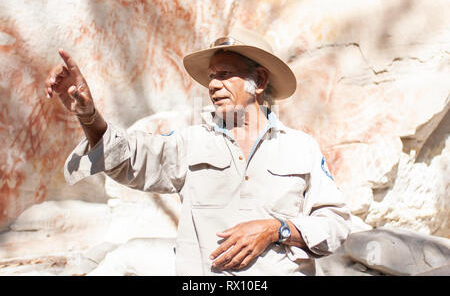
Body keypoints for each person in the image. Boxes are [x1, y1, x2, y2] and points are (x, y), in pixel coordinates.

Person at [45, 28, 351, 275]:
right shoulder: (189, 142)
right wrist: (88, 114)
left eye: (224, 74)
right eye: (211, 76)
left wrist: (277, 229)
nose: (213, 85)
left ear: (258, 80)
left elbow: (335, 224)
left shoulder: (301, 147)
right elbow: (126, 158)